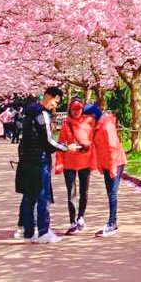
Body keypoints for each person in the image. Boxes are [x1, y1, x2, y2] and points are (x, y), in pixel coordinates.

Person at [14, 86, 74, 244]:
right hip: (39, 161)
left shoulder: (29, 114)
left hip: (26, 160)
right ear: (48, 96)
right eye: (55, 101)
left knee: (29, 197)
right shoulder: (42, 114)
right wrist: (67, 148)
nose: (56, 105)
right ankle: (43, 231)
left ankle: (29, 233)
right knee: (42, 196)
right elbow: (48, 140)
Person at [86, 101, 126, 237]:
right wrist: (100, 164)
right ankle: (112, 222)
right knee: (110, 192)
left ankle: (112, 223)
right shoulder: (98, 125)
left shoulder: (106, 125)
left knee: (112, 193)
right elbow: (97, 147)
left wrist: (112, 167)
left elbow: (112, 147)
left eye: (88, 117)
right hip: (107, 163)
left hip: (115, 162)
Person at [54, 100, 95, 235]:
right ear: (70, 110)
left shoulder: (89, 123)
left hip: (85, 161)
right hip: (69, 162)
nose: (76, 111)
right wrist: (59, 162)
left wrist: (87, 145)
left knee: (84, 191)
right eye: (74, 109)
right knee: (71, 192)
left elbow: (94, 141)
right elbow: (60, 145)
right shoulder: (66, 126)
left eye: (79, 109)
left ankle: (81, 217)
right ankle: (72, 221)